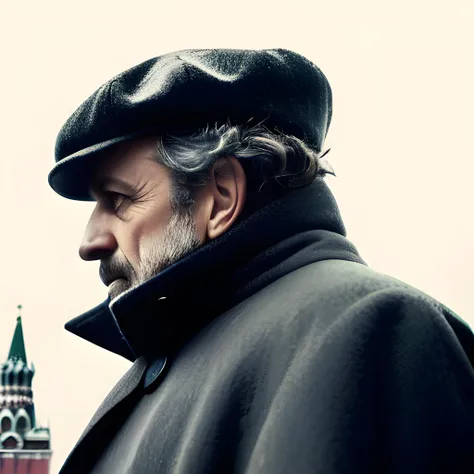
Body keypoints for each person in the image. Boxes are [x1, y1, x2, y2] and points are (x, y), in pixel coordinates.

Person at [48, 49, 474, 474]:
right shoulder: (174, 362)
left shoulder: (378, 331)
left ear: (220, 198)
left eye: (119, 199)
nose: (90, 241)